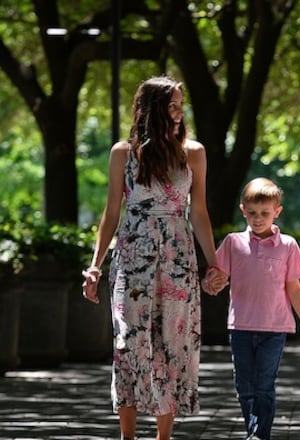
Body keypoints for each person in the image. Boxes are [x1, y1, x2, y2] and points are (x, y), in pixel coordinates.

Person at [81, 75, 225, 440]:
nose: (179, 112)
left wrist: (214, 263)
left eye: (180, 105)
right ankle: (127, 436)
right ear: (153, 109)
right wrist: (96, 265)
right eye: (172, 105)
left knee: (172, 343)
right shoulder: (122, 153)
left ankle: (164, 436)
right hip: (132, 255)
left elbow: (200, 213)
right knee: (128, 342)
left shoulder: (193, 152)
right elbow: (111, 213)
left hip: (177, 256)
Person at [208, 177, 300, 440]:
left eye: (264, 213)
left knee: (264, 385)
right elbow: (216, 277)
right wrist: (210, 283)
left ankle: (260, 435)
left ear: (277, 212)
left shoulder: (288, 245)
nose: (258, 218)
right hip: (240, 328)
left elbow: (294, 288)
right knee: (244, 387)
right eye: (252, 213)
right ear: (243, 211)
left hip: (275, 328)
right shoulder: (232, 243)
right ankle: (254, 431)